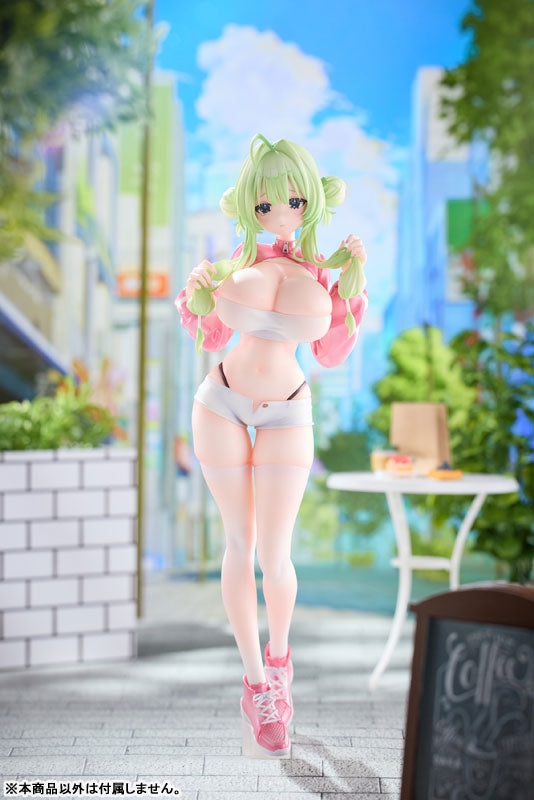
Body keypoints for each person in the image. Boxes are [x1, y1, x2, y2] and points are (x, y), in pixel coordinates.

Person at [175, 133, 369, 758]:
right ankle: (255, 684)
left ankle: (280, 664)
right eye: (264, 205)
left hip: (288, 409)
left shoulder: (323, 270)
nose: (279, 214)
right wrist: (201, 289)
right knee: (240, 543)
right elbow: (210, 336)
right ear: (249, 208)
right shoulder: (236, 263)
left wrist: (350, 286)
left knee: (275, 555)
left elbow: (329, 352)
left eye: (291, 201)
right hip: (222, 400)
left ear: (310, 200)